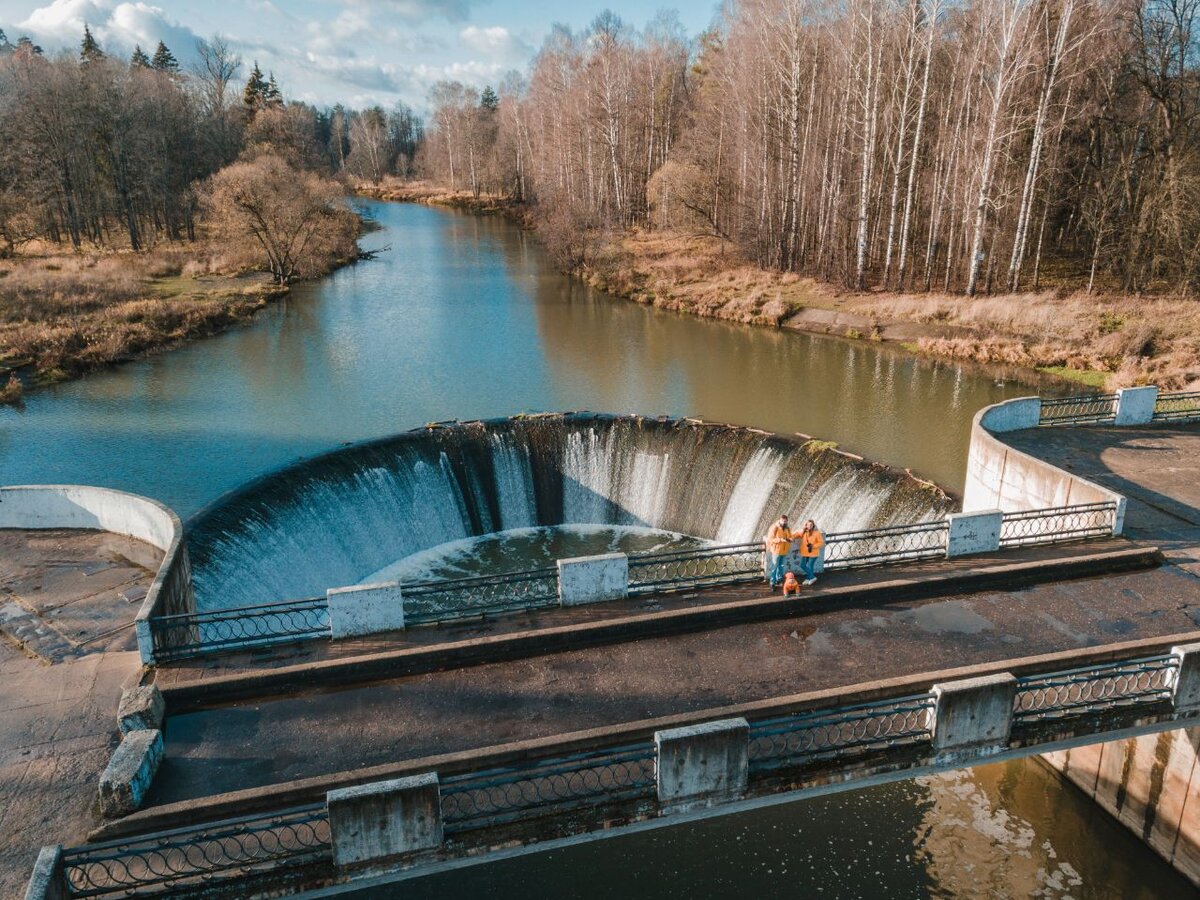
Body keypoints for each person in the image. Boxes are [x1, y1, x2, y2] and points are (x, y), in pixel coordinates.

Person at [764, 514, 793, 588]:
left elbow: (790, 536)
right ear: (780, 520)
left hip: (784, 550)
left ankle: (779, 579)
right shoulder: (774, 527)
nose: (784, 522)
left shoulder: (787, 528)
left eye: (786, 521)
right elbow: (770, 539)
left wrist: (790, 539)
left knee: (781, 566)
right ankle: (772, 582)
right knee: (774, 567)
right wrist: (780, 540)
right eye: (783, 521)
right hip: (776, 551)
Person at [797, 518, 824, 585]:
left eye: (811, 525)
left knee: (810, 566)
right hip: (805, 552)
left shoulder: (817, 533)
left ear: (813, 526)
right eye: (808, 525)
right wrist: (803, 529)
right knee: (802, 565)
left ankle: (809, 578)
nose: (809, 526)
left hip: (813, 552)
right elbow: (798, 534)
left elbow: (821, 543)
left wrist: (813, 546)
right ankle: (811, 577)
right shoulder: (804, 532)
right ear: (806, 525)